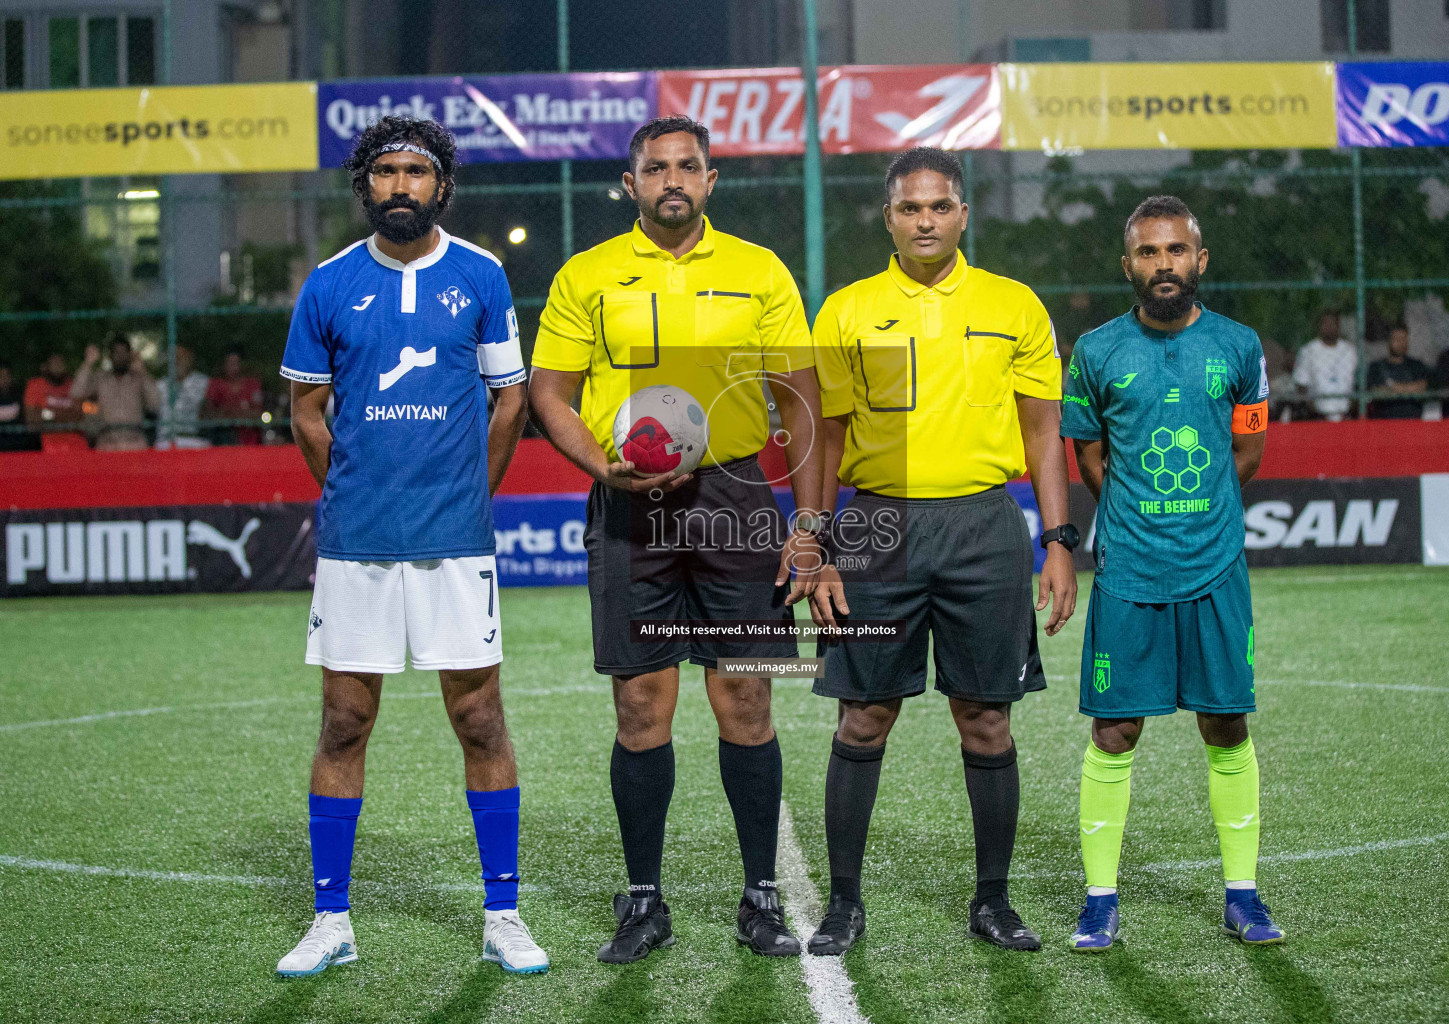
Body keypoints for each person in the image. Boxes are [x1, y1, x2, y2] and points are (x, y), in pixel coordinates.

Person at [528, 116, 825, 965]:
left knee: (747, 700)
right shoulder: (588, 276)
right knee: (639, 707)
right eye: (655, 166)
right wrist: (601, 463)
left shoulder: (758, 270)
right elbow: (550, 392)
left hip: (735, 495)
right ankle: (645, 899)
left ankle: (761, 896)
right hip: (630, 503)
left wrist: (806, 528)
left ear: (710, 179)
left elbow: (798, 399)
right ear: (630, 184)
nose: (672, 178)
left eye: (687, 166)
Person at [275, 116, 546, 977]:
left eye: (415, 174)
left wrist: (473, 492)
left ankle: (502, 912)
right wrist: (349, 488)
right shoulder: (326, 285)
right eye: (385, 173)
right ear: (366, 187)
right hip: (357, 544)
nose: (400, 187)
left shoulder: (481, 274)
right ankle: (331, 920)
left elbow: (511, 399)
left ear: (441, 187)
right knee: (344, 722)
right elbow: (306, 411)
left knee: (479, 719)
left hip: (453, 541)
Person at [804, 148, 1076, 956]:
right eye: (910, 208)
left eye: (941, 206)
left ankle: (992, 902)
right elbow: (827, 434)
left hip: (985, 529)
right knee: (864, 716)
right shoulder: (848, 310)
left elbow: (1042, 432)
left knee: (986, 718)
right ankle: (844, 904)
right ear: (888, 218)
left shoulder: (1014, 304)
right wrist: (814, 541)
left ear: (964, 214)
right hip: (876, 526)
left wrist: (1059, 542)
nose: (926, 220)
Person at [1060, 195, 1282, 952]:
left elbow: (1247, 454)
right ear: (1128, 265)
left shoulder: (1240, 346)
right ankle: (1099, 899)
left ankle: (1244, 895)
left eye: (1176, 251)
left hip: (1217, 566)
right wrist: (1140, 516)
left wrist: (1196, 513)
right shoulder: (1094, 351)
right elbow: (1089, 459)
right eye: (1149, 253)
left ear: (1200, 260)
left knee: (1226, 723)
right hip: (1128, 568)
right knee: (1115, 731)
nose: (1164, 265)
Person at [70, 334, 160, 450]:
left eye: (124, 352)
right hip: (106, 443)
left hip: (135, 442)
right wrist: (88, 363)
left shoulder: (139, 378)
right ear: (110, 356)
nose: (120, 357)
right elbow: (76, 393)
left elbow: (155, 403)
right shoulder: (100, 378)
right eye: (116, 353)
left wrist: (143, 372)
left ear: (130, 355)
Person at [1292, 310, 1356, 421]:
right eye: (1325, 323)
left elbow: (1358, 383)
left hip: (1346, 416)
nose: (1329, 327)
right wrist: (1311, 407)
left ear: (1339, 326)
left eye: (1333, 323)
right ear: (1319, 326)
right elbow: (1301, 384)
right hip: (1318, 416)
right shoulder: (1308, 351)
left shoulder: (1349, 351)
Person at [23, 353, 86, 451]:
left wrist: (46, 414)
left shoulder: (73, 386)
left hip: (74, 442)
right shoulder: (35, 385)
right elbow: (32, 419)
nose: (58, 367)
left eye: (61, 364)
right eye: (54, 363)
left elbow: (78, 416)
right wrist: (63, 416)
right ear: (45, 367)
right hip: (45, 443)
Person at [1365, 325, 1430, 419]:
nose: (1401, 343)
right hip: (1384, 422)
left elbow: (1421, 387)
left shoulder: (1416, 365)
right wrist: (1409, 389)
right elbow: (1377, 391)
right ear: (1388, 342)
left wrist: (1393, 387)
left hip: (1412, 422)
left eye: (1404, 339)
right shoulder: (1377, 367)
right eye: (1397, 339)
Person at [203, 346, 265, 444]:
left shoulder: (252, 384)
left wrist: (231, 412)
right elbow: (209, 413)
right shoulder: (216, 384)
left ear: (242, 364)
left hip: (250, 440)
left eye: (235, 363)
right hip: (222, 439)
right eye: (229, 363)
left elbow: (258, 413)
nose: (232, 367)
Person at [157, 345, 210, 448]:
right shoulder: (161, 384)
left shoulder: (202, 381)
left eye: (181, 358)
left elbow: (200, 405)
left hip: (192, 439)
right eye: (174, 358)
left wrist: (181, 382)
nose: (177, 361)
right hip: (165, 440)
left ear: (190, 360)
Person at [0, 361, 31, 452]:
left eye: (7, 375)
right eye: (1, 376)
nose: (4, 379)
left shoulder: (19, 394)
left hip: (16, 445)